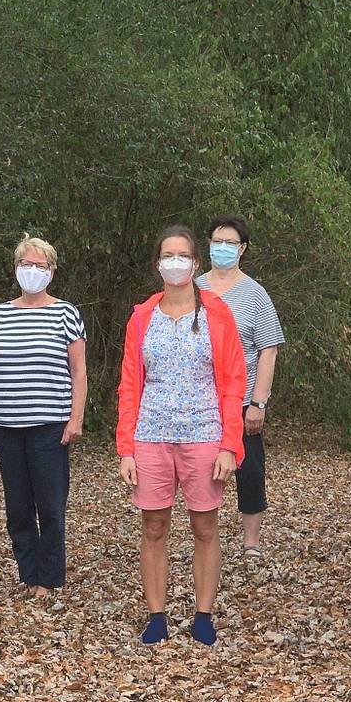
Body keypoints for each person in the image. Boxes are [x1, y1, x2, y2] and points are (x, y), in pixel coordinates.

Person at [116, 226, 246, 648]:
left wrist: (230, 444)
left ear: (195, 262)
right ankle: (157, 616)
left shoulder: (217, 314)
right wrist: (126, 448)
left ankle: (203, 615)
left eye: (183, 255)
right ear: (157, 263)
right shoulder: (142, 317)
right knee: (153, 525)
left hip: (204, 434)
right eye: (167, 255)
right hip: (151, 435)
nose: (176, 262)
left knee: (205, 526)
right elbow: (130, 384)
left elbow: (232, 381)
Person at [0, 237, 86, 597]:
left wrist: (75, 418)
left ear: (51, 271)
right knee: (17, 508)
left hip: (49, 426)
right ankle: (28, 573)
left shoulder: (65, 313)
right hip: (7, 426)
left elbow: (79, 371)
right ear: (16, 268)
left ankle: (49, 578)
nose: (33, 271)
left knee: (50, 506)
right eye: (27, 264)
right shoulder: (0, 314)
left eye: (40, 265)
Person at [197, 215, 284, 567]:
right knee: (202, 472)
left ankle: (251, 541)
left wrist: (258, 402)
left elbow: (268, 349)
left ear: (242, 248)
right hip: (200, 401)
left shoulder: (255, 294)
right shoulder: (194, 287)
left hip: (242, 400)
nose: (222, 248)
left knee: (249, 471)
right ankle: (206, 539)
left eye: (230, 243)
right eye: (217, 241)